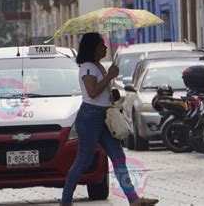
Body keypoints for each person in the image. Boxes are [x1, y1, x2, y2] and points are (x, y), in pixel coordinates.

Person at [60, 32, 159, 206]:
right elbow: (92, 92)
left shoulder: (98, 66)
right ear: (93, 48)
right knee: (83, 160)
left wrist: (111, 93)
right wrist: (109, 77)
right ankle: (65, 200)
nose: (105, 47)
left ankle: (133, 198)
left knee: (118, 156)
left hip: (104, 117)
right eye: (102, 45)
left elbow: (101, 92)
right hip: (90, 117)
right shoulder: (88, 67)